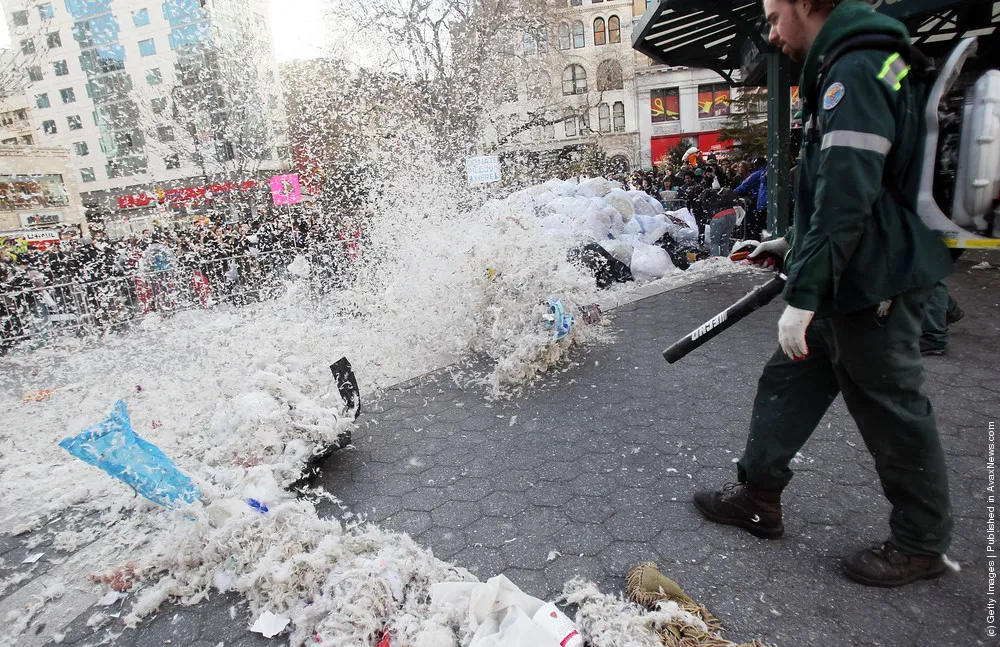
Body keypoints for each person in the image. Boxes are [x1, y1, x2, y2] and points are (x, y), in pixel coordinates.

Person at [691, 0, 955, 587]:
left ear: (807, 5)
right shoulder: (847, 64)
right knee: (787, 380)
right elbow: (847, 191)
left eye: (774, 14)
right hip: (848, 274)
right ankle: (758, 496)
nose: (770, 31)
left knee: (891, 410)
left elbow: (847, 200)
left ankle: (921, 543)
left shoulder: (857, 69)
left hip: (872, 282)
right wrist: (790, 244)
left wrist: (804, 297)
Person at [734, 157, 768, 240]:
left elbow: (745, 185)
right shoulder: (765, 172)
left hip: (759, 203)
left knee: (753, 225)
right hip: (764, 202)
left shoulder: (758, 173)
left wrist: (732, 193)